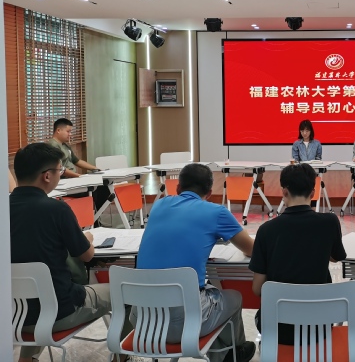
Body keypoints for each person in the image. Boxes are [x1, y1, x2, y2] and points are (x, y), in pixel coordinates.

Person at [133, 163, 256, 362]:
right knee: (232, 298)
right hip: (183, 324)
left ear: (178, 188)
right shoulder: (216, 212)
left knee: (209, 297)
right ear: (209, 193)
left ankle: (225, 354)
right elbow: (252, 250)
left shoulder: (159, 205)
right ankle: (235, 353)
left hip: (143, 321)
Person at [10, 143, 117, 362]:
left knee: (38, 300)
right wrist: (87, 238)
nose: (60, 175)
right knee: (124, 292)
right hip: (60, 311)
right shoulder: (56, 209)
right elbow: (86, 255)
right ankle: (124, 358)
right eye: (60, 170)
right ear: (47, 176)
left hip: (13, 315)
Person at [249, 163, 346, 345]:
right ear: (313, 192)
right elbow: (336, 256)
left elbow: (257, 289)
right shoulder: (329, 222)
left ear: (284, 192)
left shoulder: (266, 230)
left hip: (277, 328)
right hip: (319, 327)